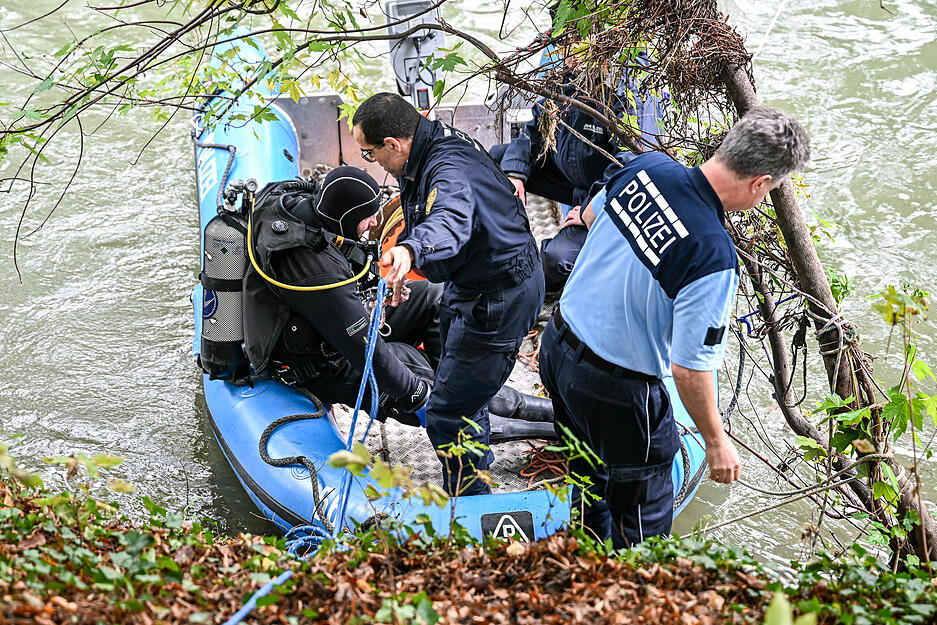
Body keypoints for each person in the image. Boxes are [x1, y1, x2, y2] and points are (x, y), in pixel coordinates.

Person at [538, 107, 810, 548]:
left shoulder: (645, 168)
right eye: (769, 189)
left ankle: (586, 563)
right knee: (643, 526)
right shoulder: (712, 255)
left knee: (586, 474)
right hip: (617, 391)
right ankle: (628, 600)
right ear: (760, 183)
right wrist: (716, 441)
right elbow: (688, 370)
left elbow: (587, 218)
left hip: (557, 346)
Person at [241, 166, 551, 435]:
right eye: (368, 218)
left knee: (431, 296)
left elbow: (349, 260)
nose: (376, 222)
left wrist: (379, 283)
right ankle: (555, 425)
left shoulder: (296, 204)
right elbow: (365, 350)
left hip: (332, 323)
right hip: (326, 361)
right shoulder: (317, 274)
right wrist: (415, 395)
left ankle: (464, 378)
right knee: (440, 394)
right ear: (347, 218)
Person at [352, 93, 546, 496]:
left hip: (500, 297)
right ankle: (481, 456)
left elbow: (449, 220)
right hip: (470, 283)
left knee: (446, 414)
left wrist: (411, 250)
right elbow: (431, 213)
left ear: (393, 144)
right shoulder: (426, 145)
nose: (373, 163)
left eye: (369, 153)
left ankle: (471, 499)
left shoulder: (447, 168)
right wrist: (406, 260)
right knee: (457, 387)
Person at [490, 51, 667, 291]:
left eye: (574, 43)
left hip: (605, 200)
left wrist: (588, 210)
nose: (567, 53)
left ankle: (538, 285)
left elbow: (630, 165)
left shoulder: (625, 91)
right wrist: (515, 173)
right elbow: (533, 128)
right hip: (571, 179)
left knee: (555, 261)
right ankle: (503, 240)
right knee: (499, 160)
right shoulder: (568, 77)